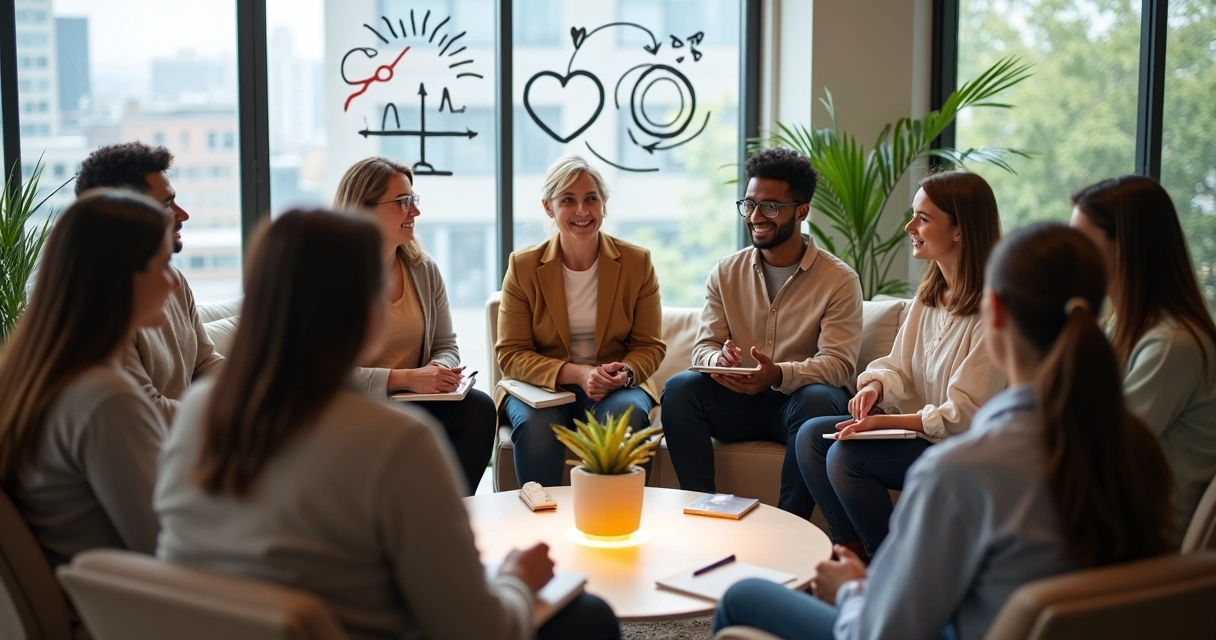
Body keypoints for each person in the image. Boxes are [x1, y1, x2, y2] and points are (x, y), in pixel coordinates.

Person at [155, 209, 620, 640]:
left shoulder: (199, 410)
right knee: (590, 616)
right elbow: (479, 629)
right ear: (365, 309)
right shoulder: (395, 442)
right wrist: (518, 579)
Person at [712, 222, 1174, 640]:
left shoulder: (960, 472)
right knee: (823, 438)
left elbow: (880, 634)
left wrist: (852, 592)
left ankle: (871, 566)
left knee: (742, 596)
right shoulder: (1137, 448)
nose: (911, 226)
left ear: (994, 313)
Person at [795, 171, 1006, 559]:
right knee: (811, 437)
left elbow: (964, 416)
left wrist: (886, 422)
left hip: (965, 449)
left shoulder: (995, 310)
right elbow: (898, 366)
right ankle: (850, 552)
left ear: (959, 230)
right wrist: (875, 386)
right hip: (926, 437)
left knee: (847, 455)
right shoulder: (930, 297)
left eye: (923, 218)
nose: (910, 227)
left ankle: (887, 564)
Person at [660, 147, 862, 518]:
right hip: (737, 405)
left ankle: (789, 523)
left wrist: (780, 374)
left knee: (820, 399)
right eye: (749, 204)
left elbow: (839, 365)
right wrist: (718, 360)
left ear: (802, 211)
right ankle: (702, 512)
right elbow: (703, 347)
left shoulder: (839, 280)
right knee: (679, 389)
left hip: (797, 408)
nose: (755, 216)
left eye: (770, 206)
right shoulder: (725, 272)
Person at [0, 190, 174, 567]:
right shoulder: (107, 400)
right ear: (121, 278)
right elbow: (166, 549)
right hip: (127, 613)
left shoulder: (32, 376)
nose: (174, 283)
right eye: (163, 266)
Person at [495, 156, 665, 487]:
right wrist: (579, 374)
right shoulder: (524, 266)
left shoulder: (637, 262)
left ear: (604, 204)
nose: (582, 211)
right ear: (549, 208)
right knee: (537, 429)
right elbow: (511, 353)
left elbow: (650, 346)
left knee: (625, 417)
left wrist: (624, 373)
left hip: (615, 386)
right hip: (543, 387)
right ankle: (541, 528)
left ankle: (617, 524)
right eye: (568, 200)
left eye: (591, 199)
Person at [333, 156, 495, 495]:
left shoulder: (423, 269)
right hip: (355, 406)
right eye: (403, 202)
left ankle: (451, 516)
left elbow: (446, 343)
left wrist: (439, 371)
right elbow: (323, 372)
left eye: (413, 200)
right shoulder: (329, 276)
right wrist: (408, 379)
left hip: (416, 401)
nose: (415, 212)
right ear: (364, 209)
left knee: (478, 408)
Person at [1070, 175, 1216, 539]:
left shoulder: (1172, 345)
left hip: (1141, 540)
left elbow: (1100, 453)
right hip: (1115, 521)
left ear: (1122, 246)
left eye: (1081, 241)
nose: (1073, 256)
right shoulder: (1122, 326)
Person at [74, 142, 224, 422]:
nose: (183, 215)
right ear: (129, 216)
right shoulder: (100, 310)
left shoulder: (174, 280)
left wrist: (250, 396)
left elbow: (206, 362)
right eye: (167, 205)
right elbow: (146, 411)